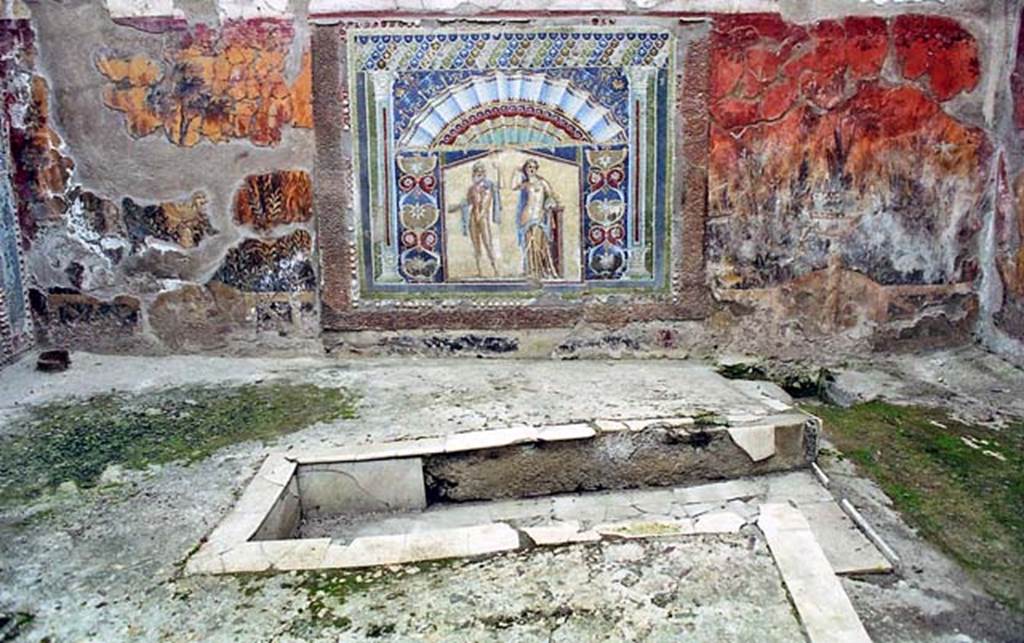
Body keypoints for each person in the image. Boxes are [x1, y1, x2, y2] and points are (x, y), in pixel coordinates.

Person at [510, 158, 561, 281]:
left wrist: (549, 203)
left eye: (533, 167)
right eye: (528, 167)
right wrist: (515, 172)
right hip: (527, 216)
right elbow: (513, 187)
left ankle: (542, 270)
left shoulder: (543, 183)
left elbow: (552, 196)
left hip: (539, 216)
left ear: (536, 169)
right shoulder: (526, 184)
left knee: (540, 244)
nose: (531, 169)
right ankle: (532, 270)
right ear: (525, 170)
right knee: (529, 244)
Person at [449, 161, 500, 277]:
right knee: (476, 245)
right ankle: (480, 270)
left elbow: (486, 203)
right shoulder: (472, 189)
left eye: (481, 172)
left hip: (482, 217)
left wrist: (480, 215)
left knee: (488, 243)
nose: (479, 174)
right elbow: (468, 202)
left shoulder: (487, 187)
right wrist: (456, 207)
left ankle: (495, 269)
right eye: (477, 172)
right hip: (473, 216)